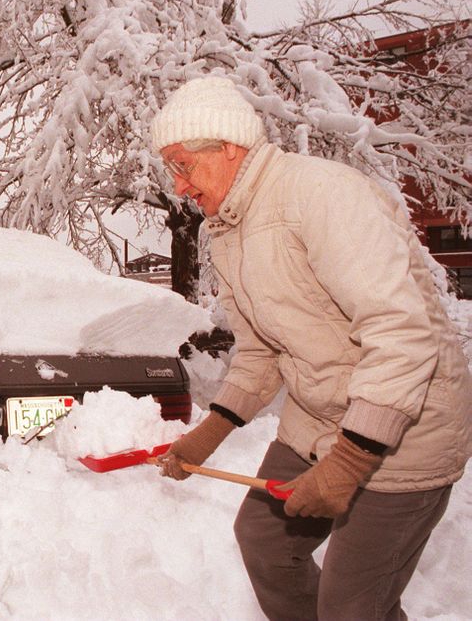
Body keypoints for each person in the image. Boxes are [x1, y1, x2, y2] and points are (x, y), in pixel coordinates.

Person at [149, 75, 472, 621]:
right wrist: (211, 432)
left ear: (228, 148)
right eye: (171, 170)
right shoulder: (229, 229)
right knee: (265, 542)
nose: (178, 186)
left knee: (351, 606)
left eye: (184, 166)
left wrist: (348, 463)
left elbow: (403, 334)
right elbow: (259, 349)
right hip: (319, 417)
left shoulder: (322, 195)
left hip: (404, 431)